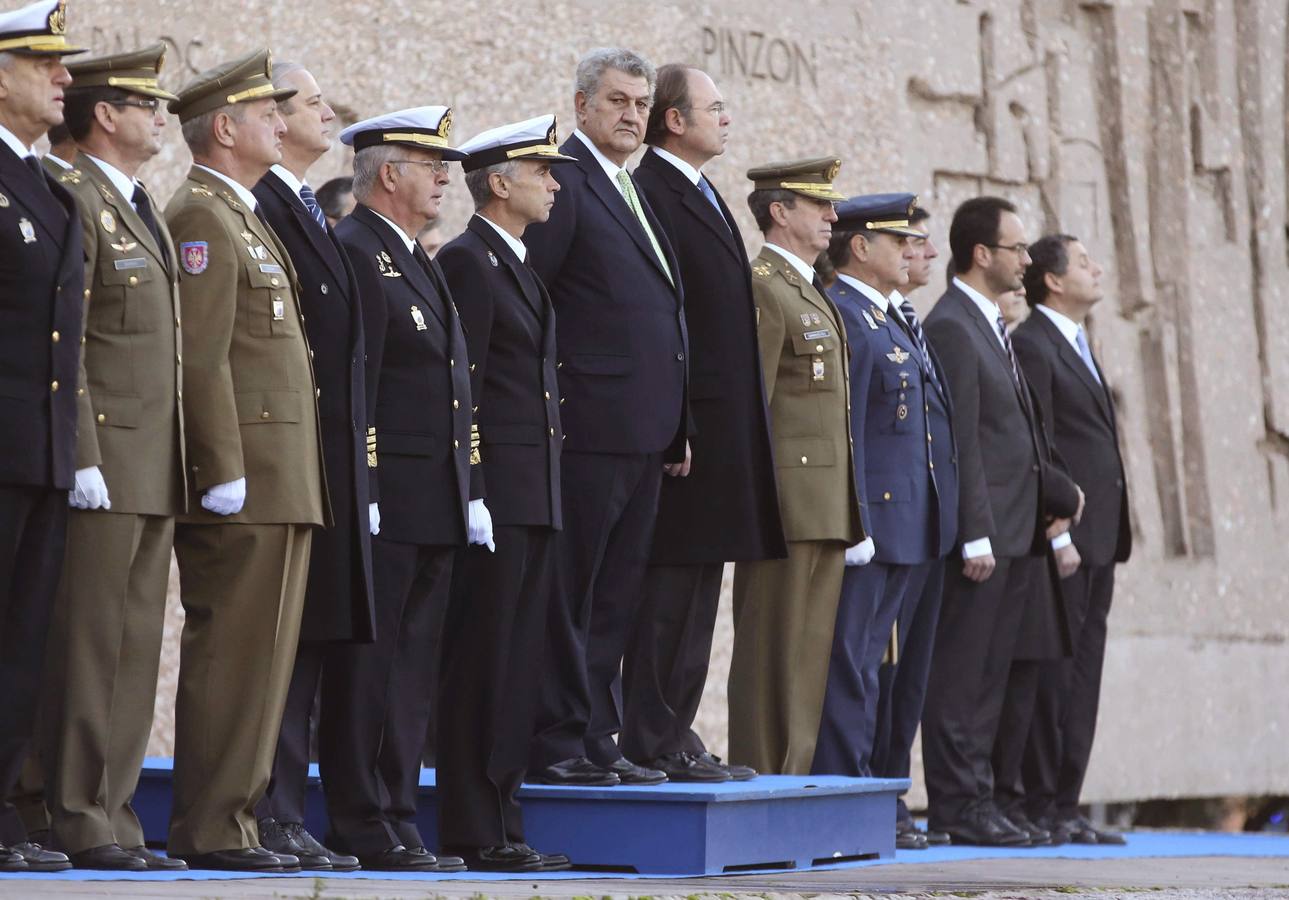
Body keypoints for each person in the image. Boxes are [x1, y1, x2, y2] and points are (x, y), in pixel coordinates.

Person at [163, 48, 327, 872]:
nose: (279, 119)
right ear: (223, 129)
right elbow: (203, 353)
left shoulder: (243, 212)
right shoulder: (199, 213)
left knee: (266, 660)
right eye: (264, 110)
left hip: (284, 473)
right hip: (246, 478)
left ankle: (241, 818)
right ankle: (212, 825)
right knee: (234, 653)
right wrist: (219, 464)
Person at [524, 47, 689, 787]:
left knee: (616, 595)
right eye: (618, 102)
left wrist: (677, 418)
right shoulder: (564, 180)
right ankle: (556, 738)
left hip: (644, 432)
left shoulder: (629, 185)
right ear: (583, 104)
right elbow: (533, 300)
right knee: (572, 593)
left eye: (640, 105)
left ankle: (597, 734)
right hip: (584, 428)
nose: (631, 116)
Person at [41, 42, 186, 872]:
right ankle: (75, 813)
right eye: (147, 106)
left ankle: (117, 812)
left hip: (154, 463)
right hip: (106, 463)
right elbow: (76, 343)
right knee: (92, 645)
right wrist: (85, 451)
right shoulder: (73, 195)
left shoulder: (140, 203)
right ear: (106, 115)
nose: (161, 119)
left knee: (134, 646)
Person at [326, 106, 483, 872]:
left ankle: (395, 811)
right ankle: (359, 818)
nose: (445, 177)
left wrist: (469, 486)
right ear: (389, 174)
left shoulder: (416, 256)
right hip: (390, 496)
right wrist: (372, 482)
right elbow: (362, 380)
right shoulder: (356, 249)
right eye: (430, 165)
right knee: (370, 663)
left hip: (437, 496)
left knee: (413, 667)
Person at [623, 63, 783, 783]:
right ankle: (650, 734)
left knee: (697, 586)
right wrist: (678, 416)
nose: (727, 118)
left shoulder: (699, 189)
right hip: (682, 430)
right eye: (713, 107)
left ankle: (674, 729)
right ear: (674, 120)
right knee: (668, 587)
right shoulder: (652, 190)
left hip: (717, 428)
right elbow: (665, 318)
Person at [434, 114, 575, 873]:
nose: (553, 184)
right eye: (540, 173)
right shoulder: (468, 262)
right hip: (500, 498)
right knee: (484, 664)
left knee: (518, 665)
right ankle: (472, 826)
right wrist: (477, 489)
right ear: (499, 183)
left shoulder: (513, 261)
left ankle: (504, 819)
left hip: (535, 493)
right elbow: (470, 391)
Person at [920, 196, 1081, 846]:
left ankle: (980, 800)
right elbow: (961, 441)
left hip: (1016, 534)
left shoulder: (986, 322)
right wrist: (974, 530)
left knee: (991, 677)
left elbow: (1013, 437)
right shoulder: (954, 326)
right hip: (985, 538)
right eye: (1015, 248)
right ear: (981, 254)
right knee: (963, 676)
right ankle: (957, 806)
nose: (1024, 258)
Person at [250, 61, 370, 872]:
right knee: (278, 645)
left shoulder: (301, 208)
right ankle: (267, 809)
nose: (327, 113)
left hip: (327, 458)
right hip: (286, 456)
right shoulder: (261, 204)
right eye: (312, 102)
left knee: (312, 642)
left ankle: (287, 811)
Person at [728, 158, 863, 775]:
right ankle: (764, 776)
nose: (833, 216)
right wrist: (756, 499)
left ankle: (792, 781)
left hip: (825, 501)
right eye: (819, 205)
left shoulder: (807, 287)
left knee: (807, 657)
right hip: (786, 498)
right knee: (772, 653)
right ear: (779, 212)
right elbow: (752, 402)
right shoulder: (763, 284)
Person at [812, 194, 943, 799]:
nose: (912, 251)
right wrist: (855, 518)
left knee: (868, 664)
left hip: (902, 521)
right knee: (849, 663)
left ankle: (859, 788)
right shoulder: (845, 315)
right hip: (872, 523)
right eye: (898, 242)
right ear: (860, 249)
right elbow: (849, 435)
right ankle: (843, 788)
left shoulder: (885, 317)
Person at [0, 0, 85, 874]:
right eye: (45, 63)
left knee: (21, 640)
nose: (65, 77)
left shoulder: (49, 189)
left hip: (40, 451)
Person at [1013, 234, 1131, 845]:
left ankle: (1066, 804)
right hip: (1066, 538)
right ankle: (1041, 804)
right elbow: (1042, 446)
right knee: (1055, 674)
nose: (1098, 268)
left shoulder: (1080, 343)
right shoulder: (1033, 344)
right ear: (1053, 281)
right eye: (1085, 262)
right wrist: (1055, 532)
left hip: (1103, 538)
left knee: (1084, 675)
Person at [868, 205, 958, 848]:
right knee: (881, 670)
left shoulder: (906, 321)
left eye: (919, 243)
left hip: (926, 524)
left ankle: (893, 792)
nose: (917, 253)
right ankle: (878, 795)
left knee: (910, 675)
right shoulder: (863, 317)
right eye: (906, 242)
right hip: (889, 521)